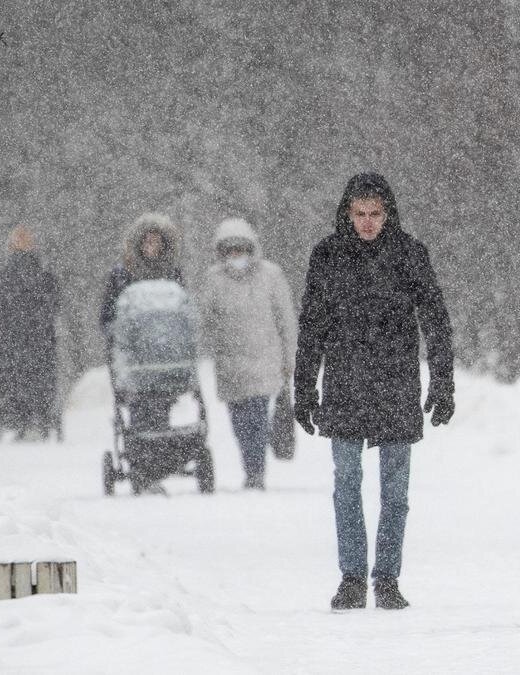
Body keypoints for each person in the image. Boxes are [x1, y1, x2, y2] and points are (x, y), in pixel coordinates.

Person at [294, 172, 455, 611]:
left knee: (395, 492)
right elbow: (312, 325)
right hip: (345, 382)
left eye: (375, 214)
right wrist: (304, 387)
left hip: (395, 382)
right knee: (346, 483)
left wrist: (443, 380)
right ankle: (352, 578)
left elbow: (435, 319)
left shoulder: (409, 254)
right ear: (347, 213)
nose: (367, 222)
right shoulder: (328, 255)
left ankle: (386, 577)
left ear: (389, 214)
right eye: (360, 213)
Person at [200, 218, 297, 490]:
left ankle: (255, 472)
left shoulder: (270, 276)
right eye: (230, 250)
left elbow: (285, 320)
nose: (236, 255)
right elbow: (205, 319)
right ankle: (252, 467)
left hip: (264, 360)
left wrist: (289, 357)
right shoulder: (214, 280)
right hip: (230, 365)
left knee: (256, 416)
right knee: (240, 423)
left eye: (240, 249)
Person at [99, 213, 185, 433]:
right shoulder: (121, 275)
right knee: (139, 402)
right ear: (138, 244)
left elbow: (181, 309)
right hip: (133, 354)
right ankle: (144, 441)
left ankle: (157, 441)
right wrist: (116, 331)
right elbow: (107, 314)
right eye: (147, 241)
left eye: (156, 241)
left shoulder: (172, 273)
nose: (151, 247)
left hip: (165, 353)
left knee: (161, 401)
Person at [0, 225, 59, 441]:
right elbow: (54, 304)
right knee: (38, 379)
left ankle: (20, 417)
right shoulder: (43, 275)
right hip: (37, 340)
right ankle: (36, 418)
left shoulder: (5, 276)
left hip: (13, 341)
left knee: (12, 379)